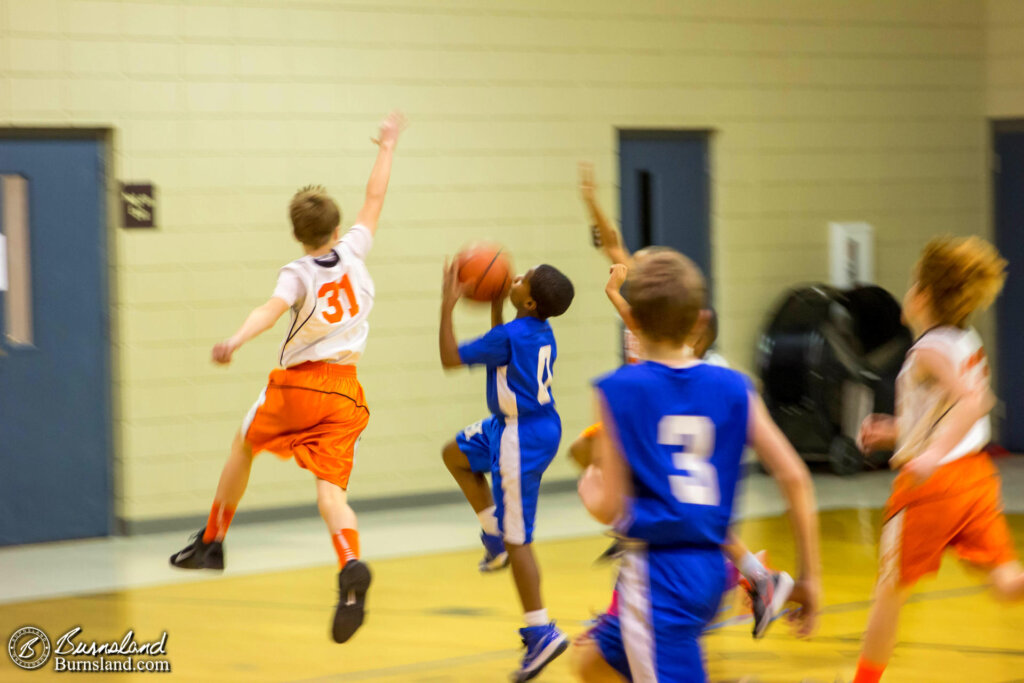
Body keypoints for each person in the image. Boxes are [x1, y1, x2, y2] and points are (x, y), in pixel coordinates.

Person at [169, 112, 406, 645]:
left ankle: (212, 541)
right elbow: (375, 197)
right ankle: (349, 565)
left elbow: (270, 311)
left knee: (243, 445)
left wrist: (234, 339)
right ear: (336, 230)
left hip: (302, 386)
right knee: (331, 491)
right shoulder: (355, 249)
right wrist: (387, 146)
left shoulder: (297, 273)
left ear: (297, 235)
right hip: (347, 392)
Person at [570, 248, 821, 682]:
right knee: (592, 662)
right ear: (700, 322)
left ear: (635, 323)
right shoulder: (734, 386)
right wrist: (810, 578)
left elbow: (611, 505)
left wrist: (593, 497)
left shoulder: (617, 389)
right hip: (708, 572)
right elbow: (795, 477)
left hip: (657, 579)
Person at [574, 164, 793, 638]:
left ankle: (749, 579)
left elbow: (618, 266)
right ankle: (754, 578)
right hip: (653, 418)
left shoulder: (647, 321)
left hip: (664, 417)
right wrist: (591, 201)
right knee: (671, 514)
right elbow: (611, 242)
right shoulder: (643, 310)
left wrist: (613, 289)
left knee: (658, 513)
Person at [852, 236, 1024, 683]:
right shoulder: (964, 339)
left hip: (933, 486)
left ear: (923, 295)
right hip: (976, 478)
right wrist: (893, 430)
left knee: (888, 594)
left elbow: (974, 400)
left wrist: (929, 453)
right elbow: (946, 411)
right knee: (1006, 579)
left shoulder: (927, 350)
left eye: (912, 283)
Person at [439, 259, 575, 682]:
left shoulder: (510, 336)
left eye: (521, 280)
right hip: (516, 425)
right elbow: (503, 349)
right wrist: (500, 305)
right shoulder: (533, 329)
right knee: (455, 454)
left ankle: (541, 631)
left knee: (521, 538)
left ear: (530, 300)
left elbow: (449, 358)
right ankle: (492, 535)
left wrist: (446, 307)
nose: (513, 278)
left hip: (521, 436)